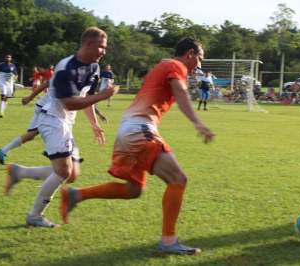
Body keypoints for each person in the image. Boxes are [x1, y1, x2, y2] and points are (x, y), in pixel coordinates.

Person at [60, 37, 214, 255]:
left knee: (133, 190)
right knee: (178, 179)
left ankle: (76, 195)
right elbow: (179, 91)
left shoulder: (166, 65)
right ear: (190, 54)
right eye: (199, 58)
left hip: (129, 129)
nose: (200, 65)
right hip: (139, 130)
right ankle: (169, 242)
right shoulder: (176, 66)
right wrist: (198, 123)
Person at [5, 26, 118, 228]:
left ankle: (19, 173)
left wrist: (95, 125)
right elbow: (69, 103)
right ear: (89, 44)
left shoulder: (94, 67)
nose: (104, 52)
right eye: (102, 47)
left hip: (66, 121)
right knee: (64, 171)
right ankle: (34, 216)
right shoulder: (67, 67)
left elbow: (85, 98)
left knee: (72, 173)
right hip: (52, 119)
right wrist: (103, 95)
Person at [0, 81, 50, 165]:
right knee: (55, 128)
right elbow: (45, 85)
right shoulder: (65, 71)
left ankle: (2, 151)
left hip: (47, 106)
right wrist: (29, 98)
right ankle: (52, 151)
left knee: (31, 135)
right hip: (46, 108)